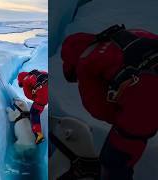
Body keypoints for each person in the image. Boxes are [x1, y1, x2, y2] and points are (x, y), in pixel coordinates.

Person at [61, 24, 158, 180]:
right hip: (147, 91)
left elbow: (99, 109)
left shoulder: (85, 61)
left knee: (114, 162)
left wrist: (122, 118)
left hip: (145, 101)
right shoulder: (126, 34)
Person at [17, 69, 48, 144]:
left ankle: (38, 136)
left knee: (34, 113)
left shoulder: (24, 80)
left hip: (43, 95)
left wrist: (37, 98)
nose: (22, 86)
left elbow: (29, 96)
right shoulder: (37, 72)